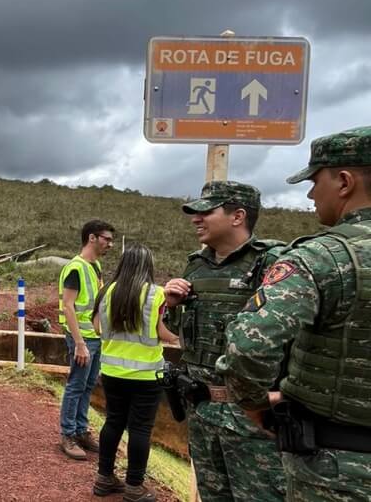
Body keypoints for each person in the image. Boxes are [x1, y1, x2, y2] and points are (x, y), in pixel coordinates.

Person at [217, 127, 371, 501]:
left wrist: (254, 405)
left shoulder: (322, 258)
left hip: (337, 470)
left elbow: (249, 347)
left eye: (315, 181)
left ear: (345, 182)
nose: (310, 193)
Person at [162, 182, 287, 501]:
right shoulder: (196, 266)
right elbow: (182, 333)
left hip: (251, 417)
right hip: (202, 412)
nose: (196, 219)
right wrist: (173, 306)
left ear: (238, 216)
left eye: (207, 211)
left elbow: (289, 335)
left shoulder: (271, 262)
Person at [92, 244, 175, 502]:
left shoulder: (107, 292)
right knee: (140, 429)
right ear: (148, 266)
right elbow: (165, 334)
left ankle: (104, 478)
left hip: (112, 373)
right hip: (146, 376)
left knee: (113, 422)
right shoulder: (157, 294)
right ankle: (134, 487)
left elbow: (96, 328)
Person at [58, 219, 115, 460]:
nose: (110, 244)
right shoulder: (76, 267)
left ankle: (81, 430)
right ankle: (68, 434)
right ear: (92, 238)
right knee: (76, 385)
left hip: (95, 337)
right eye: (107, 239)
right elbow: (68, 306)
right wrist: (80, 343)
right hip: (82, 338)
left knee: (88, 385)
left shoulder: (95, 265)